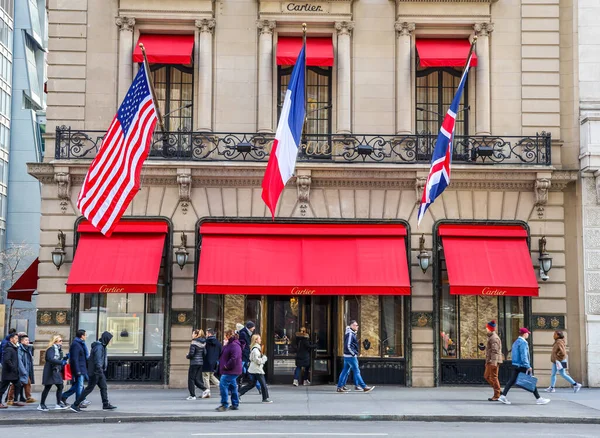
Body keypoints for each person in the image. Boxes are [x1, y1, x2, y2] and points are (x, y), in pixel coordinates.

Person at [499, 328, 550, 405]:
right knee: (531, 381)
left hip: (515, 364)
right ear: (524, 334)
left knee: (511, 381)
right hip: (522, 365)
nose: (528, 334)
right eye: (527, 333)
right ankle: (539, 398)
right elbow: (524, 355)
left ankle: (503, 396)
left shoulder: (515, 342)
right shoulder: (523, 343)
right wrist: (527, 366)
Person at [70, 331, 117, 412]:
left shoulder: (102, 346)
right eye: (110, 339)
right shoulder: (99, 347)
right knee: (89, 388)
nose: (110, 341)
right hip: (96, 371)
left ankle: (105, 404)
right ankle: (75, 404)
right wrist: (99, 370)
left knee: (103, 387)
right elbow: (98, 360)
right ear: (106, 339)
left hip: (98, 371)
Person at [336, 320, 374, 393]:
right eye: (356, 325)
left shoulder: (350, 333)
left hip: (347, 356)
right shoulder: (350, 334)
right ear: (352, 326)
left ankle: (340, 387)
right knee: (356, 371)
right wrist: (353, 354)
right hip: (350, 356)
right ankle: (364, 386)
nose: (357, 327)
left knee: (345, 371)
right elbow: (348, 345)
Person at [39, 334, 70, 411]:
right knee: (47, 387)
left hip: (56, 371)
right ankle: (42, 404)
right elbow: (50, 359)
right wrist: (61, 362)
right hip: (51, 371)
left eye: (61, 340)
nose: (61, 342)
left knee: (60, 386)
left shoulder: (58, 349)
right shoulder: (51, 349)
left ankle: (58, 403)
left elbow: (58, 359)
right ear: (55, 341)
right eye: (60, 340)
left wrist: (65, 358)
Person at [61, 329, 91, 408]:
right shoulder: (76, 344)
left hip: (82, 368)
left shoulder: (81, 343)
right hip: (79, 369)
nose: (86, 336)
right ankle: (79, 402)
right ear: (82, 336)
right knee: (80, 385)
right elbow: (74, 359)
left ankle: (64, 396)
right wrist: (77, 370)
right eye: (85, 335)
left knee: (78, 385)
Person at [239, 334, 272, 403]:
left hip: (253, 369)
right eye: (259, 339)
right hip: (257, 369)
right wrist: (264, 359)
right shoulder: (256, 350)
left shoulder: (254, 348)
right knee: (263, 384)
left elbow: (251, 358)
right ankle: (265, 398)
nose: (260, 340)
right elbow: (257, 361)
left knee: (252, 384)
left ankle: (238, 394)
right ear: (256, 340)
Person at [216, 329, 242, 412]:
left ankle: (224, 404)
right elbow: (224, 354)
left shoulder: (234, 345)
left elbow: (234, 358)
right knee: (233, 386)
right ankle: (235, 404)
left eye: (225, 336)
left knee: (223, 384)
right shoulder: (230, 344)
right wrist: (224, 345)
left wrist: (227, 366)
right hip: (231, 370)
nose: (224, 337)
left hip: (231, 370)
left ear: (228, 336)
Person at [7, 334, 35, 405]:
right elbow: (19, 361)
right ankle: (10, 399)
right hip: (20, 370)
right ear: (22, 341)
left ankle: (28, 397)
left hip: (26, 369)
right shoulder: (20, 349)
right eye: (26, 340)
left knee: (27, 382)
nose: (27, 341)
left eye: (28, 340)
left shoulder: (28, 348)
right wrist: (23, 370)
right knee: (15, 384)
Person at [0, 332, 25, 408]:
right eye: (16, 338)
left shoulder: (14, 348)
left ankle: (15, 400)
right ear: (11, 339)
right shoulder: (8, 348)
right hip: (8, 372)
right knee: (3, 388)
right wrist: (13, 367)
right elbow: (7, 360)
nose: (17, 340)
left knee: (18, 385)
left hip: (13, 372)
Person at [186, 329, 209, 400]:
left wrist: (187, 356)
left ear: (196, 335)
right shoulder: (203, 343)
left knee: (191, 379)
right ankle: (205, 389)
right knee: (196, 379)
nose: (192, 335)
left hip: (194, 363)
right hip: (200, 362)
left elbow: (191, 354)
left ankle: (192, 395)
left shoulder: (194, 342)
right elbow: (205, 353)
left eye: (193, 333)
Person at [483, 320, 502, 401]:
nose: (486, 329)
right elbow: (491, 350)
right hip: (490, 361)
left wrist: (493, 362)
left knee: (494, 377)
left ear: (489, 328)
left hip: (493, 361)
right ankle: (498, 390)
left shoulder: (494, 338)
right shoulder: (491, 337)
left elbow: (495, 351)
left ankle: (497, 394)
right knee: (486, 376)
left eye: (487, 328)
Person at [202, 328, 222, 397]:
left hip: (206, 361)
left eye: (206, 333)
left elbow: (203, 352)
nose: (206, 335)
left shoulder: (205, 342)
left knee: (206, 377)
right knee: (211, 376)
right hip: (214, 363)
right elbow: (220, 352)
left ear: (209, 334)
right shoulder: (218, 343)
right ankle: (222, 387)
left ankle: (207, 392)